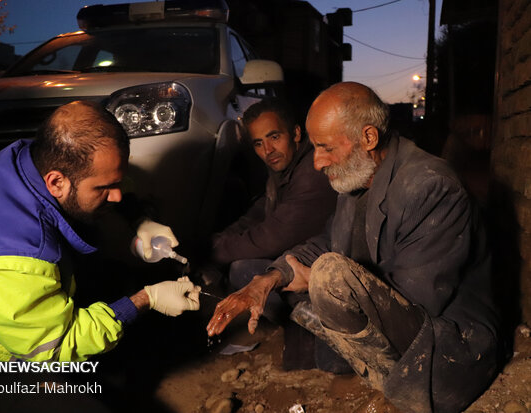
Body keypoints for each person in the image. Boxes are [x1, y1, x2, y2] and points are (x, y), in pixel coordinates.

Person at [206, 82, 501, 413]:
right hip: (402, 336)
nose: (317, 162)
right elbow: (325, 241)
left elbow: (418, 301)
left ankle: (382, 384)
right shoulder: (357, 179)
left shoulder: (430, 186)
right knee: (296, 278)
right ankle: (365, 372)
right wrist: (272, 278)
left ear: (369, 138)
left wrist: (318, 279)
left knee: (329, 276)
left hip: (447, 352)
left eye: (325, 147)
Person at [0, 100, 201, 386]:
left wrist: (137, 217)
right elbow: (58, 346)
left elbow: (102, 175)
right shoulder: (8, 263)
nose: (117, 195)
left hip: (9, 304)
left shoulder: (28, 158)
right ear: (56, 182)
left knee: (115, 279)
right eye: (104, 189)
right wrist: (147, 299)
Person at [208, 98, 337, 369]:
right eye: (258, 143)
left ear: (296, 134)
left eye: (274, 137)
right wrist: (219, 239)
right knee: (243, 263)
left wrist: (211, 252)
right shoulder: (283, 167)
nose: (268, 149)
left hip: (327, 269)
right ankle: (302, 325)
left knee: (244, 269)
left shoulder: (312, 172)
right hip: (301, 258)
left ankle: (316, 330)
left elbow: (274, 235)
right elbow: (259, 212)